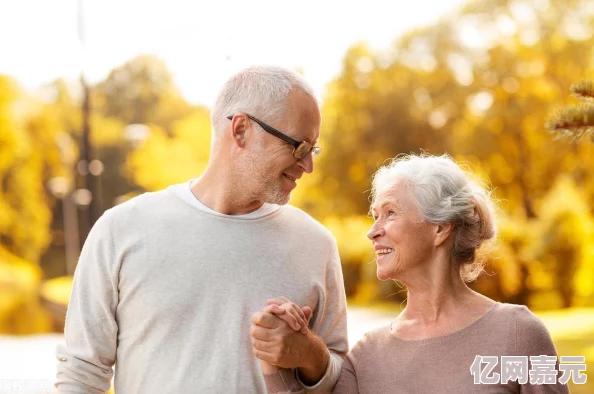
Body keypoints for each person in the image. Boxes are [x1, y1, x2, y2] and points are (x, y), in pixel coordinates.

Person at [55, 66, 348, 393]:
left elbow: (341, 378)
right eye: (300, 147)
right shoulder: (120, 229)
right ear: (240, 130)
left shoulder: (316, 244)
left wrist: (311, 353)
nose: (308, 165)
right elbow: (80, 374)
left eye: (313, 149)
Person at [259, 154, 568, 393]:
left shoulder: (517, 333)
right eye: (375, 216)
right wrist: (275, 359)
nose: (372, 233)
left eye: (390, 213)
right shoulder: (367, 357)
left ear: (440, 228)